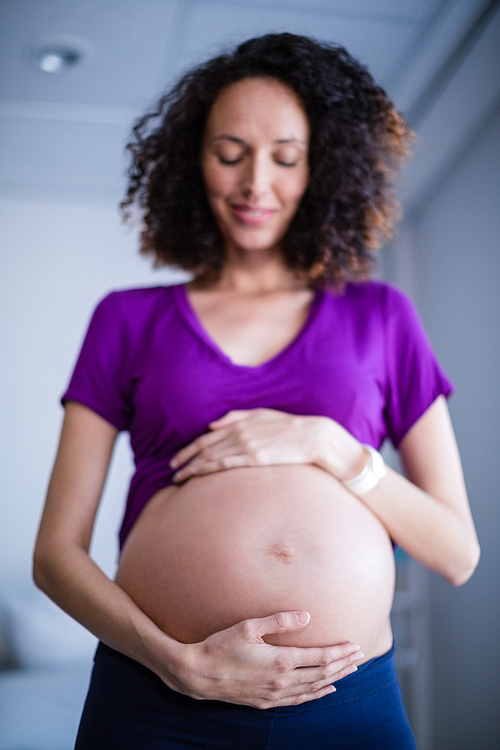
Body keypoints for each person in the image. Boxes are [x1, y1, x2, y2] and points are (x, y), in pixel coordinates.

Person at [33, 33, 480, 749]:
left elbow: (458, 553)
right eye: (230, 153)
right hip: (157, 697)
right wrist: (175, 663)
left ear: (321, 168)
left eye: (285, 157)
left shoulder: (382, 315)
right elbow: (55, 553)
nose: (255, 184)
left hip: (347, 702)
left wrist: (332, 448)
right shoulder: (126, 317)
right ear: (193, 161)